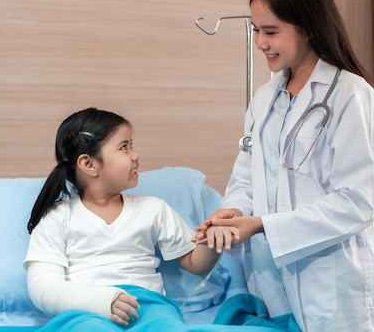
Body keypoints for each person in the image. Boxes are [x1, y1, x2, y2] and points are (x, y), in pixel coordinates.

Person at [194, 0, 374, 332]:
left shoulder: (351, 96)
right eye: (256, 31)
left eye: (271, 31)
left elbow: (356, 203)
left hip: (329, 287)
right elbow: (248, 175)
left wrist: (262, 225)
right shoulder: (266, 98)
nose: (260, 43)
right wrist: (233, 212)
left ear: (309, 27)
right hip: (272, 284)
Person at [24, 107, 236, 329]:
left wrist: (212, 238)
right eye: (124, 147)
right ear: (88, 164)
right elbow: (43, 288)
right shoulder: (57, 217)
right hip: (85, 311)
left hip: (148, 306)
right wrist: (101, 301)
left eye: (131, 146)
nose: (135, 155)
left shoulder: (153, 209)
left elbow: (196, 263)